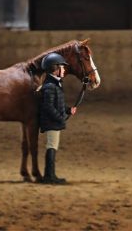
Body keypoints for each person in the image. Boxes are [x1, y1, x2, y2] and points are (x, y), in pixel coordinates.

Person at [38, 52, 77, 184]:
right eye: (62, 67)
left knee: (53, 146)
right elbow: (48, 106)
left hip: (54, 121)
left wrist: (67, 110)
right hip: (51, 122)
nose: (64, 70)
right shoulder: (50, 86)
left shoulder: (54, 84)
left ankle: (50, 174)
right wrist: (60, 117)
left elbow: (57, 102)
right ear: (55, 69)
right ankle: (49, 176)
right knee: (51, 146)